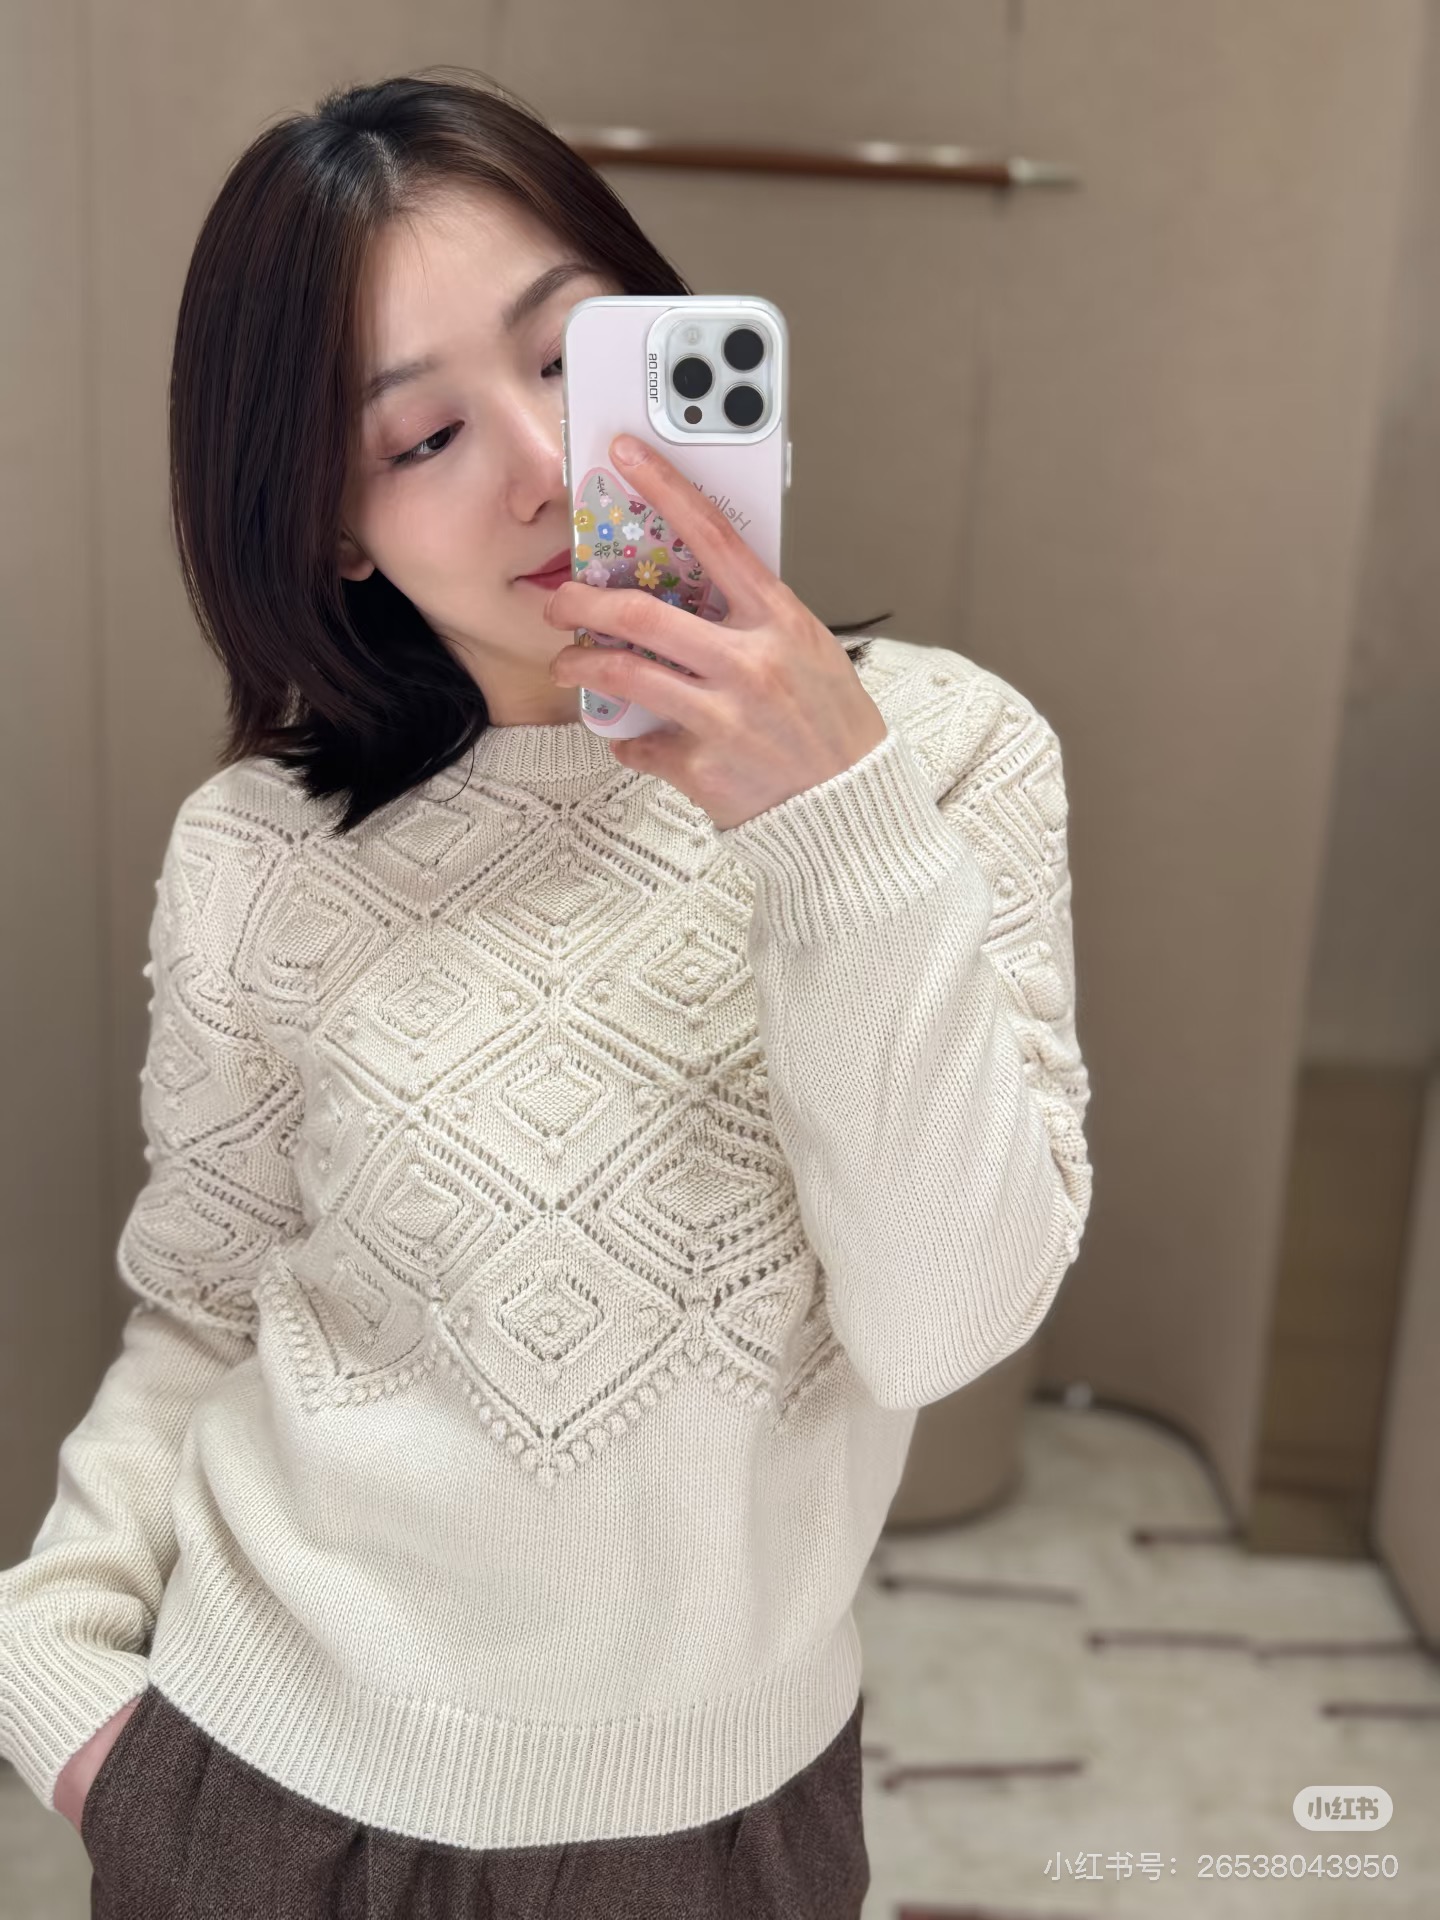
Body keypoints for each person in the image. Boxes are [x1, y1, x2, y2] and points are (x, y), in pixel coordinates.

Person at [0, 67, 1093, 1918]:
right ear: (335, 525)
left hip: (726, 1830)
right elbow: (205, 1300)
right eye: (424, 436)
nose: (540, 465)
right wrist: (61, 1678)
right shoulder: (259, 851)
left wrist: (834, 823)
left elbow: (941, 1324)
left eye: (579, 355)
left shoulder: (948, 760)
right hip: (259, 1802)